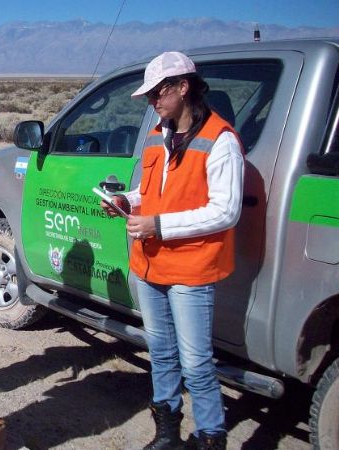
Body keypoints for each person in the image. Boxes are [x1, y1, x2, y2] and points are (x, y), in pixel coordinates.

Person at [101, 51, 244, 450]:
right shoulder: (156, 134)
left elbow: (226, 211)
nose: (152, 102)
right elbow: (152, 192)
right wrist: (128, 202)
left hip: (190, 268)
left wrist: (157, 224)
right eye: (148, 96)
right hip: (149, 263)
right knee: (161, 353)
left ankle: (211, 438)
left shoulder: (221, 140)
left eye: (157, 93)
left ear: (183, 87)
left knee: (196, 363)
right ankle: (167, 434)